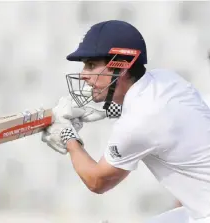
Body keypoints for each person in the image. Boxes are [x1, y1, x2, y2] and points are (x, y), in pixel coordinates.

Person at [41, 20, 210, 223]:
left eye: (92, 65)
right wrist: (106, 111)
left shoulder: (139, 122)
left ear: (121, 67)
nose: (84, 74)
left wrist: (68, 135)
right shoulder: (167, 80)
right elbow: (157, 119)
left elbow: (97, 181)